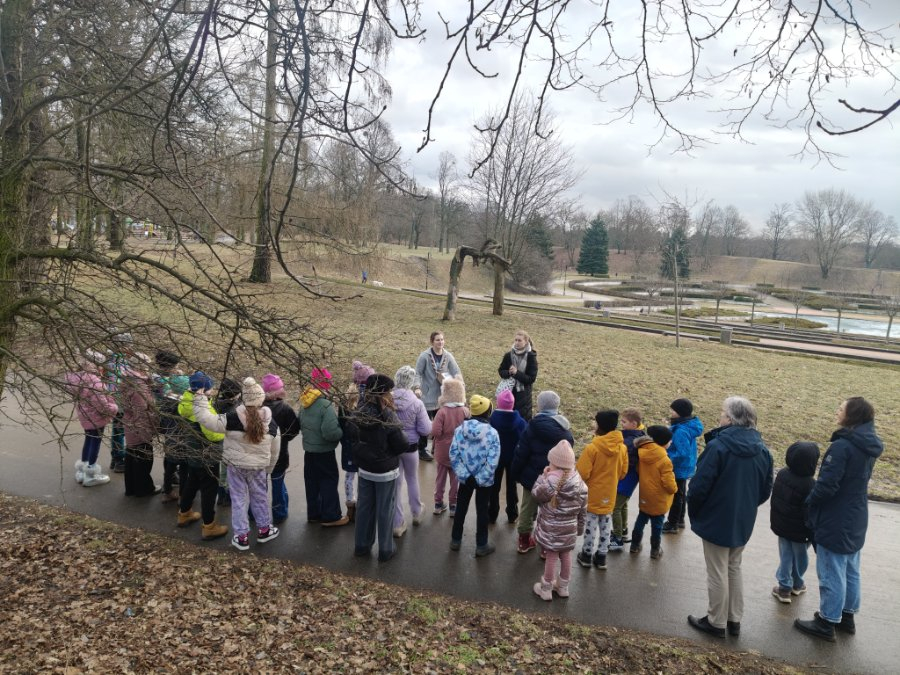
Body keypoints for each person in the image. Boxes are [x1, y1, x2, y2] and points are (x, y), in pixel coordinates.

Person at [794, 397, 883, 642]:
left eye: (841, 409)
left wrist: (810, 502)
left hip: (836, 517)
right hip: (856, 515)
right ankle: (846, 616)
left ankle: (826, 621)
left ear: (852, 416)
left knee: (831, 570)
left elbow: (827, 486)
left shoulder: (843, 447)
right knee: (851, 569)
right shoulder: (869, 444)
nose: (837, 411)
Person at [687, 396, 773, 638]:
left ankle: (716, 622)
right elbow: (765, 490)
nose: (720, 417)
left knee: (717, 570)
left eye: (723, 413)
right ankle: (734, 619)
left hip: (716, 518)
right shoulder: (763, 450)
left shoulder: (718, 447)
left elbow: (698, 488)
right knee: (733, 567)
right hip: (743, 520)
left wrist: (697, 512)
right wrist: (746, 507)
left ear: (731, 419)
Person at [192, 377, 281, 551]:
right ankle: (264, 530)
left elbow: (207, 419)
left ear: (244, 398)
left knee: (238, 500)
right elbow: (275, 450)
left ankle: (241, 537)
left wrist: (200, 399)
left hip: (235, 467)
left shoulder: (232, 418)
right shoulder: (271, 423)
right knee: (260, 497)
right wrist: (269, 468)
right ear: (261, 398)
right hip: (258, 468)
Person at [350, 374, 409, 562]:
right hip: (385, 471)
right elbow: (401, 444)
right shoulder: (387, 416)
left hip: (365, 468)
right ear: (383, 393)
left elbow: (351, 436)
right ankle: (385, 549)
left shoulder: (358, 411)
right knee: (385, 510)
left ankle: (361, 546)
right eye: (389, 391)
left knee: (364, 508)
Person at [510, 391, 574, 554]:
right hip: (555, 480)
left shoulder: (531, 427)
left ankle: (524, 541)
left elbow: (521, 452)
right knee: (550, 513)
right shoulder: (565, 431)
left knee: (527, 508)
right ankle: (546, 546)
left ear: (539, 406)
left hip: (531, 479)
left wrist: (515, 473)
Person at [173, 374, 228, 540]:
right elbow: (214, 433)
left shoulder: (187, 401)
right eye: (210, 388)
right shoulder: (201, 407)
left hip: (193, 451)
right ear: (203, 390)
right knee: (209, 489)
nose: (213, 390)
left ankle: (184, 513)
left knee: (192, 482)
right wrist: (224, 429)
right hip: (207, 454)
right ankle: (209, 526)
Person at [531, 440, 588, 600]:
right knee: (566, 555)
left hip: (551, 529)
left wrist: (543, 476)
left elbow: (536, 494)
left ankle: (546, 589)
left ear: (554, 463)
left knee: (551, 556)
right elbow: (583, 510)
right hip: (569, 529)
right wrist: (580, 529)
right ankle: (563, 588)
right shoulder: (580, 484)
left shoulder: (550, 482)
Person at [449, 395, 501, 557]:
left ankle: (455, 540)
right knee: (482, 511)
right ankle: (481, 545)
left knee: (461, 507)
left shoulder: (459, 430)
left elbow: (454, 455)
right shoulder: (492, 433)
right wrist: (480, 478)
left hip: (465, 480)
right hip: (485, 481)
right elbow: (493, 460)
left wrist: (466, 476)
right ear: (488, 412)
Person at [575, 410, 627, 570]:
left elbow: (582, 472)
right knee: (605, 524)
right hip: (610, 493)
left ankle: (586, 554)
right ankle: (602, 556)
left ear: (600, 426)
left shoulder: (592, 448)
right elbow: (623, 472)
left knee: (590, 525)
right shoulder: (622, 448)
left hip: (592, 493)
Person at [770, 441, 820, 603]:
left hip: (783, 526)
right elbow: (810, 511)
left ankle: (785, 587)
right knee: (800, 557)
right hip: (801, 531)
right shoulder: (811, 484)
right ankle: (795, 584)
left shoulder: (782, 474)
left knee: (786, 555)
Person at [299, 368, 348, 526]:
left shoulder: (304, 402)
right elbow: (330, 432)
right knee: (328, 481)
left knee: (311, 482)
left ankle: (314, 514)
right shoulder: (325, 406)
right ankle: (331, 515)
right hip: (324, 452)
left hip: (309, 451)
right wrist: (341, 432)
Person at [65, 351, 118, 487]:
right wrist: (114, 408)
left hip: (85, 415)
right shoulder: (94, 381)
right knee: (95, 442)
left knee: (88, 439)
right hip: (96, 417)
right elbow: (102, 405)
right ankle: (90, 474)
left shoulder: (77, 378)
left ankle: (82, 470)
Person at [391, 366, 432, 537]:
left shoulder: (388, 399)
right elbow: (425, 429)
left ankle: (397, 523)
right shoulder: (417, 403)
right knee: (412, 478)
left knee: (396, 482)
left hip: (392, 447)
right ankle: (416, 511)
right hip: (411, 447)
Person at [630, 426, 677, 559]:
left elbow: (638, 470)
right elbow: (669, 484)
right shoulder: (665, 460)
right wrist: (675, 489)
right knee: (657, 525)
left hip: (645, 496)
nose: (671, 442)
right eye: (669, 440)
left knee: (641, 520)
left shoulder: (642, 453)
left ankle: (634, 545)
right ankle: (655, 550)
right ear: (663, 442)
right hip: (659, 499)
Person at [415, 331, 462, 461]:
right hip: (426, 396)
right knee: (425, 425)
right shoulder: (424, 356)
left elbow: (456, 371)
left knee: (440, 425)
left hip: (442, 397)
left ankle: (437, 448)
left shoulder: (448, 356)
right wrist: (417, 387)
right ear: (432, 342)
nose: (440, 342)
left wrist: (460, 386)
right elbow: (417, 373)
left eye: (442, 339)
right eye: (437, 340)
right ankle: (421, 449)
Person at [262, 373, 300, 524]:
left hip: (260, 454)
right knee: (278, 483)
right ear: (277, 391)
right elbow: (294, 429)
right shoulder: (285, 409)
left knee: (259, 486)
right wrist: (284, 439)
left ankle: (254, 512)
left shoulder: (257, 407)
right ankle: (279, 513)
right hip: (279, 454)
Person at [120, 353, 159, 497]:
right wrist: (153, 425)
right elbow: (143, 411)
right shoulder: (139, 386)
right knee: (143, 459)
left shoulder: (127, 381)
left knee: (131, 457)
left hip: (130, 424)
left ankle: (131, 488)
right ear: (141, 366)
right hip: (140, 427)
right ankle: (144, 489)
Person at [663, 398, 704, 534]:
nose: (671, 412)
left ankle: (672, 523)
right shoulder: (687, 426)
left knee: (676, 496)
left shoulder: (680, 430)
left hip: (678, 466)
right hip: (685, 466)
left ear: (680, 412)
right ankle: (680, 520)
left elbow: (682, 453)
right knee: (680, 494)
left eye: (673, 410)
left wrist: (668, 459)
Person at [488, 389, 527, 524]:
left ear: (498, 403)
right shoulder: (521, 422)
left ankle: (492, 514)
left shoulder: (491, 420)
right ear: (512, 404)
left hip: (495, 458)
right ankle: (512, 514)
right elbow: (525, 439)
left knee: (494, 486)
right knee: (512, 487)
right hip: (513, 459)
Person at [431, 377, 468, 516]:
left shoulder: (442, 412)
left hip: (442, 451)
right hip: (458, 452)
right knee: (455, 480)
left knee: (440, 479)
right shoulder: (465, 411)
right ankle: (453, 505)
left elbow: (435, 432)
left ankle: (438, 503)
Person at [610, 408, 645, 550]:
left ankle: (617, 538)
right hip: (629, 478)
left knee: (615, 507)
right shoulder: (637, 435)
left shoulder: (630, 441)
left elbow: (624, 461)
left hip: (626, 478)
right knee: (622, 504)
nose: (621, 424)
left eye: (624, 422)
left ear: (634, 424)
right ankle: (623, 530)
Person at [497, 329, 539, 420]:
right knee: (506, 419)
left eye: (519, 340)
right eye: (515, 340)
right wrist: (508, 373)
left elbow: (531, 379)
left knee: (521, 420)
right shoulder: (508, 355)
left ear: (526, 341)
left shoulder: (531, 357)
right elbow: (501, 371)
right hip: (508, 392)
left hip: (523, 395)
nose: (517, 342)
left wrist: (517, 373)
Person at [338, 383, 360, 521]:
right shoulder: (361, 410)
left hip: (347, 448)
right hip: (359, 449)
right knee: (361, 476)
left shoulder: (342, 409)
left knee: (349, 476)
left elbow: (340, 428)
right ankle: (360, 502)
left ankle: (350, 502)